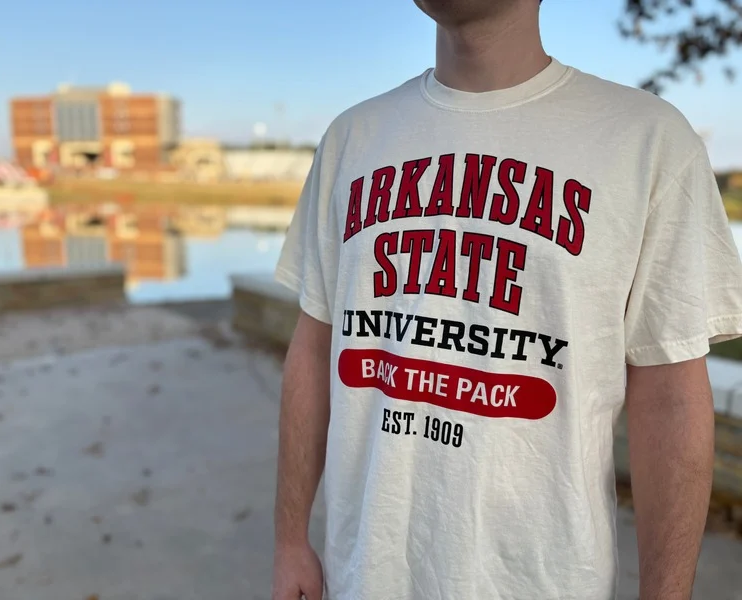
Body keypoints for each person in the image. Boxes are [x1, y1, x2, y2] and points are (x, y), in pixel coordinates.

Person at [271, 1, 742, 598]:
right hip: (360, 575)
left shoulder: (648, 141)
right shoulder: (352, 137)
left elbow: (671, 394)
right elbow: (314, 351)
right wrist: (290, 542)